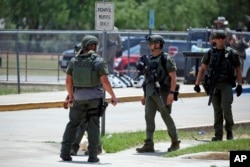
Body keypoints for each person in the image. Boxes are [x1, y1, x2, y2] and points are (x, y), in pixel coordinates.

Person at [60, 35, 117, 163]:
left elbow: (68, 82)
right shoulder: (98, 61)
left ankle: (65, 152)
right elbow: (105, 81)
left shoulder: (74, 61)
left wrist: (71, 96)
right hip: (94, 100)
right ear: (94, 46)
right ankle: (92, 156)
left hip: (78, 99)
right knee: (93, 126)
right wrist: (113, 96)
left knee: (72, 124)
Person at [194, 30, 243, 141]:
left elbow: (238, 69)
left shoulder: (231, 53)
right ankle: (218, 135)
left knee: (226, 107)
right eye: (218, 38)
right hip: (214, 85)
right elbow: (202, 69)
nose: (221, 40)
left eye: (222, 38)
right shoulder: (209, 53)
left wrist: (240, 85)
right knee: (217, 111)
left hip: (226, 84)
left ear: (225, 39)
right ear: (214, 40)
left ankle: (229, 131)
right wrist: (197, 84)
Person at [136, 34, 180, 153]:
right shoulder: (149, 59)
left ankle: (175, 142)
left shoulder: (166, 58)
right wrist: (144, 95)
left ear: (158, 44)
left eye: (152, 43)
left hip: (163, 93)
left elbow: (173, 77)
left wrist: (172, 93)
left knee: (166, 116)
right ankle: (148, 143)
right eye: (149, 43)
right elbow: (146, 80)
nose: (150, 45)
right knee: (149, 118)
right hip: (150, 93)